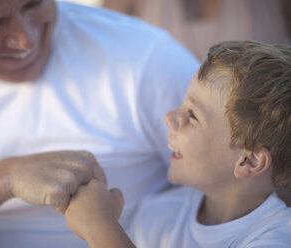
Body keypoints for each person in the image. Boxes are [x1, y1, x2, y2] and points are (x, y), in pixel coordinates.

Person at [0, 0, 198, 247]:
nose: (25, 40)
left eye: (33, 4)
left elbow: (235, 197)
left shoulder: (149, 59)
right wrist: (2, 179)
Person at [65, 40, 291, 248]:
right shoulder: (158, 213)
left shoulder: (276, 239)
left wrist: (99, 226)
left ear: (249, 161)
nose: (170, 117)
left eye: (192, 115)